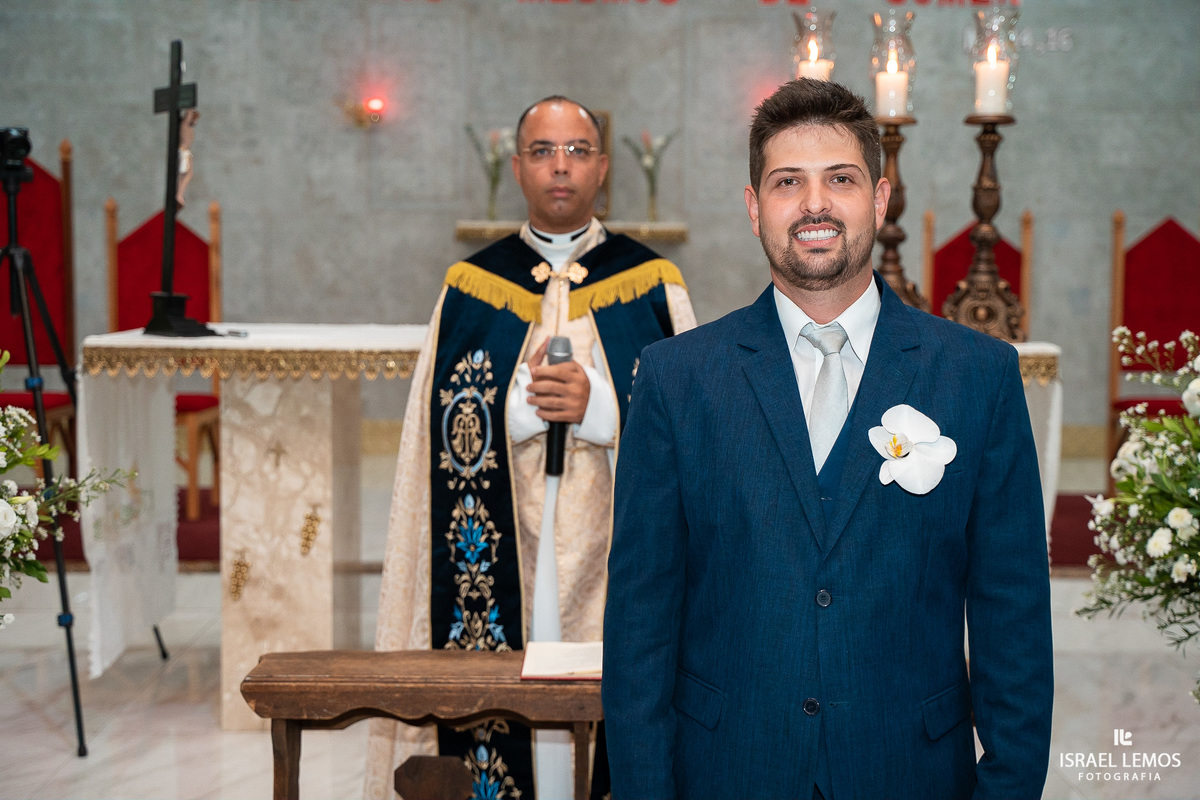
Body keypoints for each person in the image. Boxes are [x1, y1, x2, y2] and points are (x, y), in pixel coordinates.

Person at [602, 79, 1053, 800]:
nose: (815, 205)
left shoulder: (977, 375)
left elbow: (1014, 618)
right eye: (788, 183)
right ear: (754, 209)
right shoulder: (676, 378)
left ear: (878, 199)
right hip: (729, 770)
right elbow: (639, 628)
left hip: (910, 770)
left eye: (839, 180)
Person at [364, 95, 696, 800]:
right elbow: (433, 435)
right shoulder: (470, 288)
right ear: (517, 167)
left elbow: (694, 433)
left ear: (603, 168)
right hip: (502, 558)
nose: (560, 167)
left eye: (577, 150)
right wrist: (517, 410)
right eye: (543, 151)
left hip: (610, 552)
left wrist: (600, 410)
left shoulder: (652, 285)